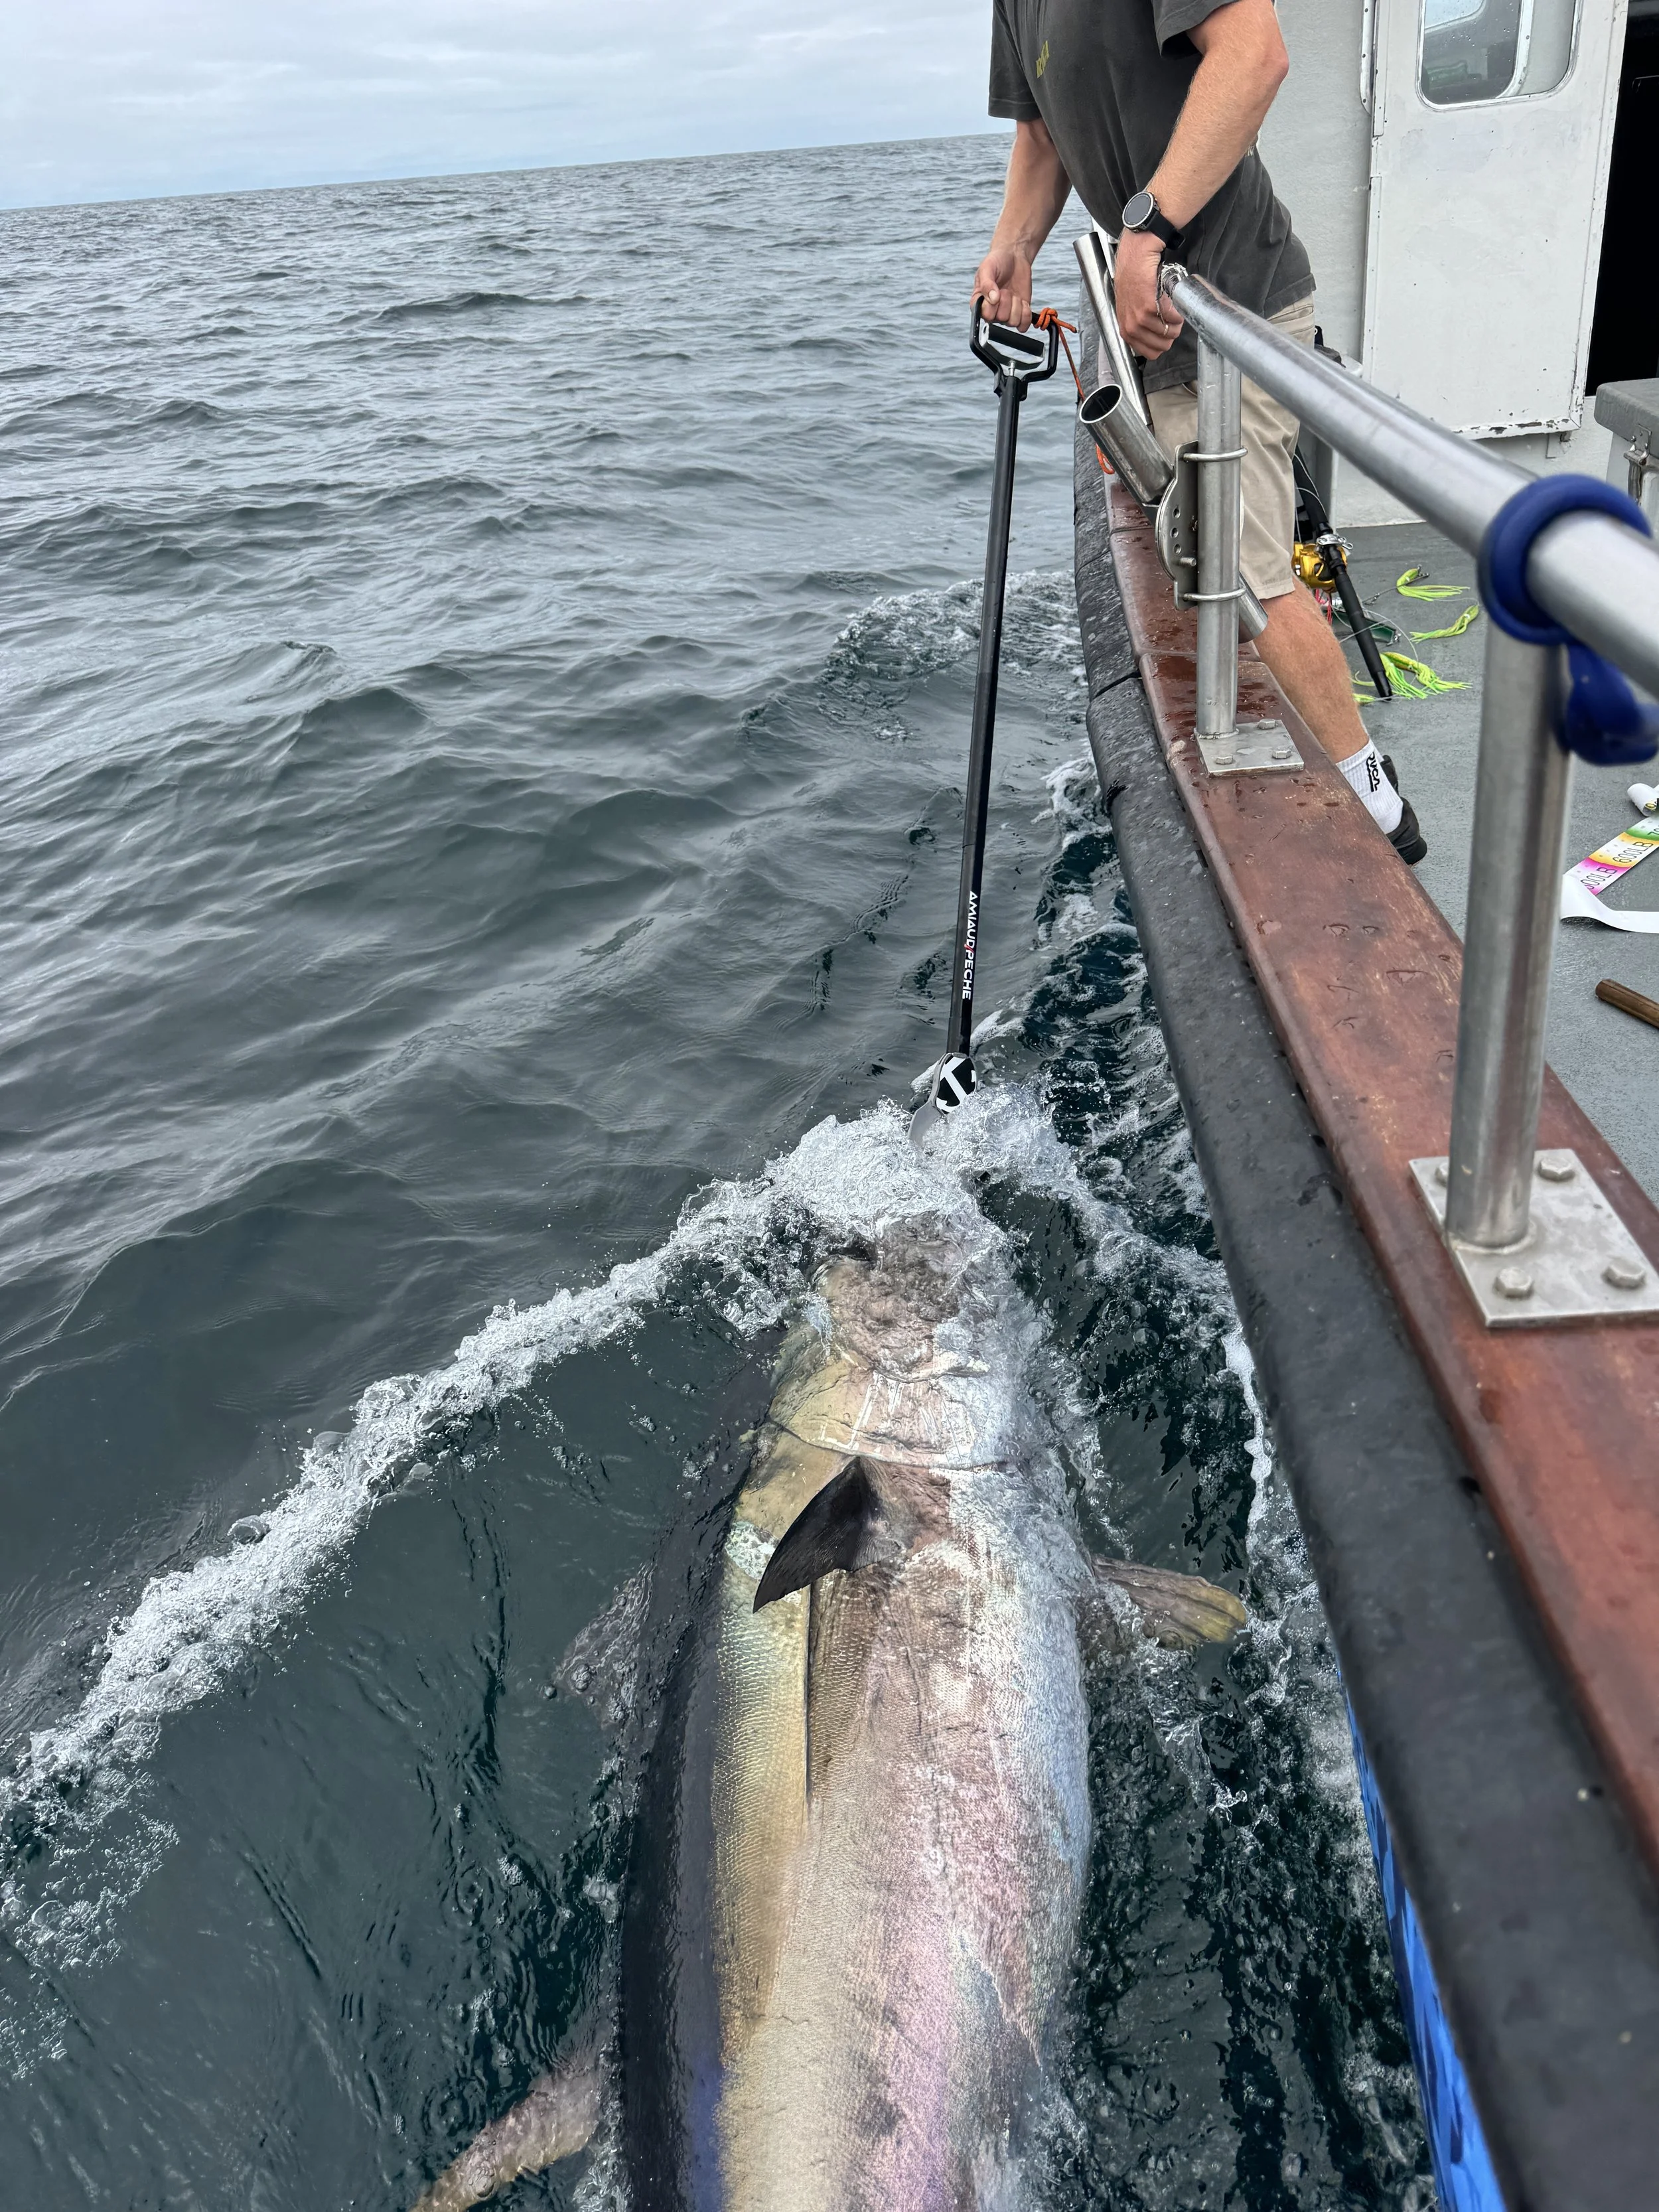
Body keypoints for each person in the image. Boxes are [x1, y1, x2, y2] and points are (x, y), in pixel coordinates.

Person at [974, 0, 1427, 863]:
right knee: (1204, 562)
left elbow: (1254, 51)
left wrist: (1145, 230)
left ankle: (1378, 805)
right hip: (1157, 318)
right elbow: (1040, 138)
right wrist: (1015, 247)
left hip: (1232, 301)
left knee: (1245, 569)